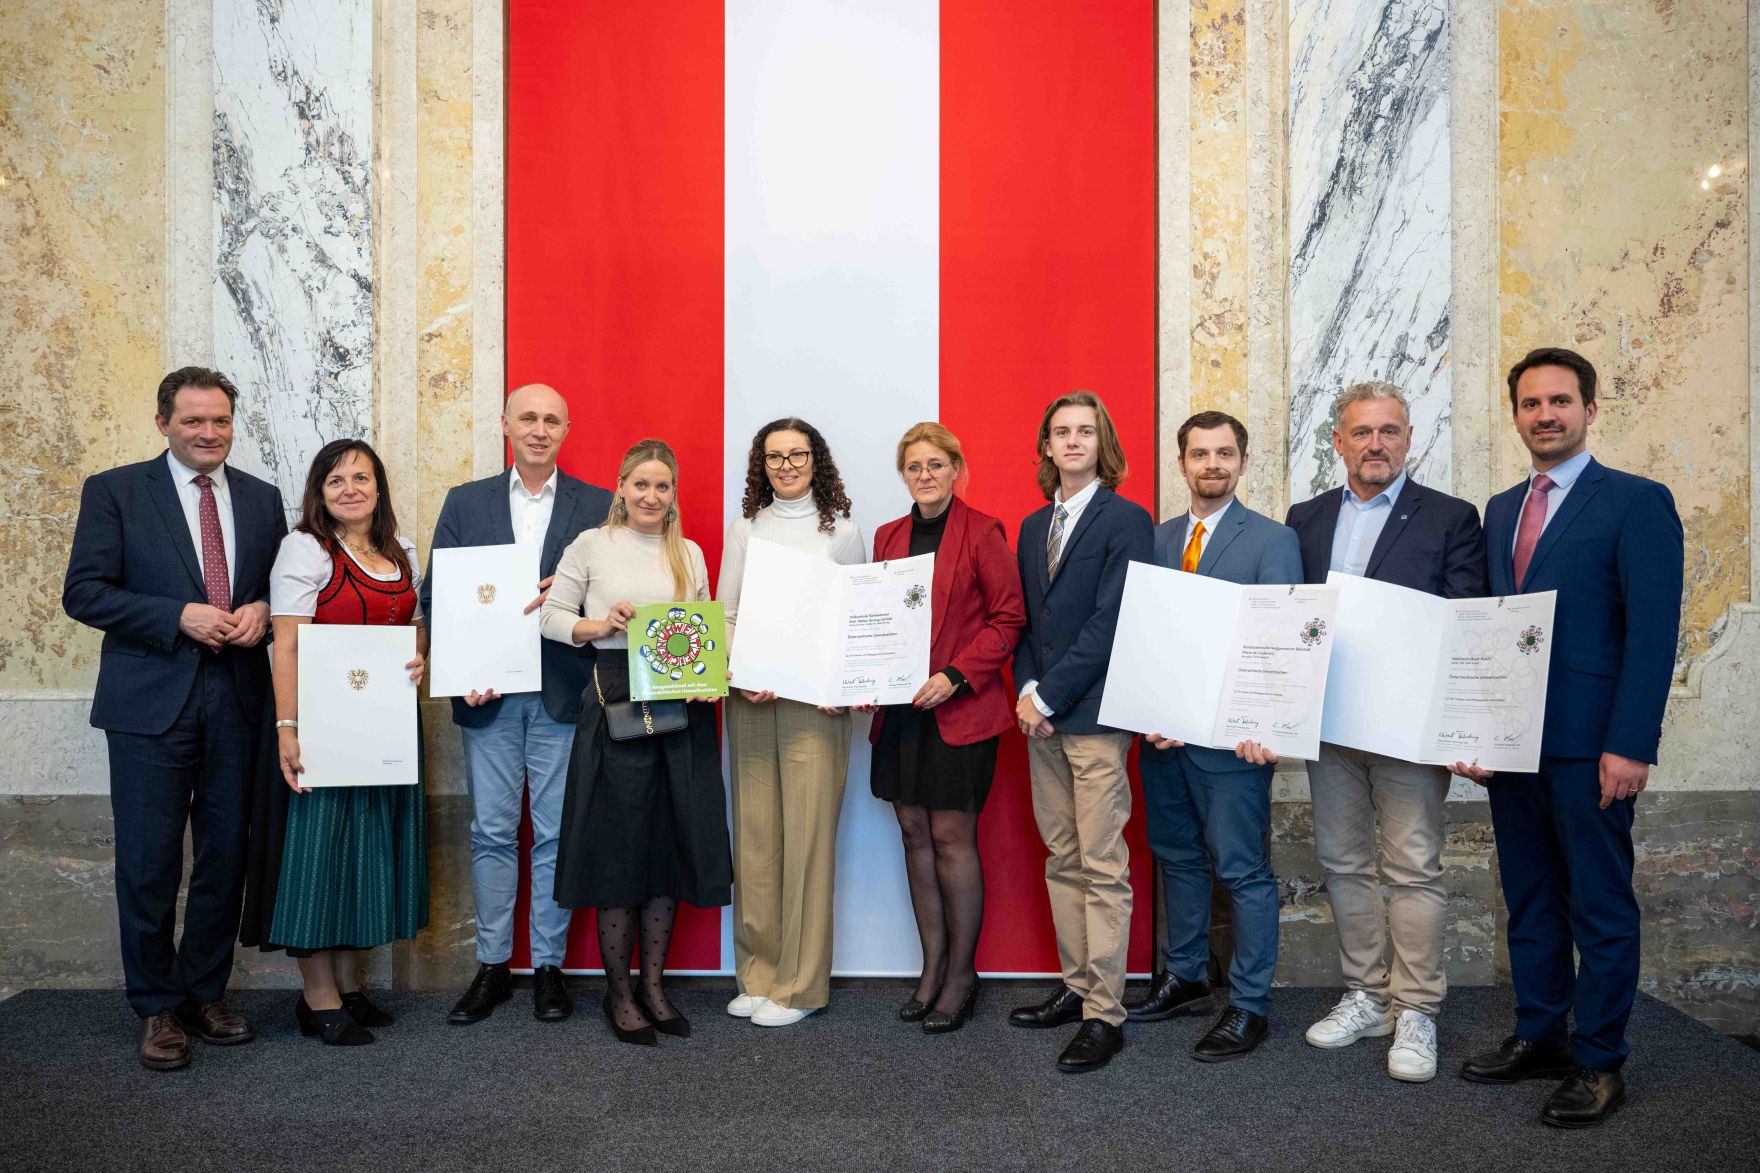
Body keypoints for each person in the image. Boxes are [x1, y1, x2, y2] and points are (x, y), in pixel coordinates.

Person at [1451, 348, 1682, 1127]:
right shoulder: (1499, 509)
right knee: (1530, 899)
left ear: (1589, 408)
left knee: (1600, 904)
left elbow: (1652, 635)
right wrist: (1478, 729)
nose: (1544, 414)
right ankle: (1541, 1031)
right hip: (1514, 748)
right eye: (1529, 403)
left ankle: (1599, 1059)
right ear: (1514, 414)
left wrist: (1631, 744)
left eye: (1559, 401)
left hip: (1591, 747)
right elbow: (1489, 630)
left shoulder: (1636, 502)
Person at [62, 367, 286, 1071]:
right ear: (164, 422)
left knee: (225, 856)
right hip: (149, 704)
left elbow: (278, 588)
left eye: (219, 420)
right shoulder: (116, 491)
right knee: (151, 861)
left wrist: (262, 612)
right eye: (193, 421)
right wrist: (175, 615)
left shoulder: (262, 497)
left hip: (238, 701)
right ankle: (156, 1004)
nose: (208, 433)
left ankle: (201, 992)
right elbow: (84, 592)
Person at [1280, 382, 1488, 1082]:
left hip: (1408, 725)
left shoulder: (1452, 518)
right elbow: (1287, 617)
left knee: (1413, 866)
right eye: (1362, 431)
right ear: (1337, 440)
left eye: (1390, 431)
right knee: (1342, 862)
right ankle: (1367, 994)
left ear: (1409, 439)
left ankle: (1418, 1008)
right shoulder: (1303, 518)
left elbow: (1464, 619)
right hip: (1331, 721)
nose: (1377, 444)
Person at [420, 383, 613, 1026]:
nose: (538, 428)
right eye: (527, 417)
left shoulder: (597, 504)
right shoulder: (466, 502)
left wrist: (577, 594)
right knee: (492, 832)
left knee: (557, 835)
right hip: (489, 695)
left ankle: (550, 968)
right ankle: (495, 966)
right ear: (504, 423)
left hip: (563, 692)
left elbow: (614, 599)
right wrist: (457, 671)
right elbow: (437, 598)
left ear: (566, 429)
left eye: (551, 419)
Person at [1123, 411, 1301, 1063]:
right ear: (1181, 464)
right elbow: (1146, 631)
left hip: (1234, 744)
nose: (1213, 464)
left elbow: (1280, 638)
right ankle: (1187, 973)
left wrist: (1266, 723)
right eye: (1200, 454)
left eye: (1225, 453)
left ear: (1244, 461)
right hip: (1164, 736)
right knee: (1177, 855)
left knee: (1243, 868)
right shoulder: (1159, 537)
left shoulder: (1272, 540)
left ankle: (1249, 1003)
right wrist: (1149, 707)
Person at [540, 439, 731, 1046]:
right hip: (615, 702)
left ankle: (654, 987)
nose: (651, 495)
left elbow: (704, 628)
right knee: (619, 849)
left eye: (663, 486)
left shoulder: (690, 553)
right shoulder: (591, 545)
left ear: (673, 495)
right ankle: (618, 994)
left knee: (665, 847)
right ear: (620, 487)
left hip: (680, 707)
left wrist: (709, 678)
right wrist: (601, 625)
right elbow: (550, 616)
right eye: (641, 484)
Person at [243, 439, 429, 1046]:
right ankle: (316, 996)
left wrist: (421, 659)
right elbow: (288, 644)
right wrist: (286, 728)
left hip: (384, 727)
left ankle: (348, 988)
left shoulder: (400, 551)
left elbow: (413, 631)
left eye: (361, 477)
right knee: (318, 858)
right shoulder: (305, 549)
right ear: (319, 492)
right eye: (335, 480)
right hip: (324, 724)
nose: (350, 488)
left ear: (379, 487)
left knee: (363, 852)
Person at [1008, 390, 1153, 1073]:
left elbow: (1111, 620)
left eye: (1085, 431)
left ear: (1103, 443)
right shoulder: (1036, 525)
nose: (1072, 441)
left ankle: (1105, 1013)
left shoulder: (1128, 520)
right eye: (1061, 431)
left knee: (1101, 865)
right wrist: (1027, 692)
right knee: (1061, 857)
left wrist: (1052, 694)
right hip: (1043, 719)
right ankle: (1075, 986)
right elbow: (1030, 624)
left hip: (1093, 718)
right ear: (1045, 445)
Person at [867, 423, 1025, 1034]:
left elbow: (1009, 620)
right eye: (914, 467)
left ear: (956, 468)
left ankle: (962, 974)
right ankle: (930, 967)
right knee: (913, 834)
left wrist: (956, 675)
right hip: (900, 712)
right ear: (903, 474)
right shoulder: (888, 537)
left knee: (953, 839)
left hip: (959, 711)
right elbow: (874, 621)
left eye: (936, 465)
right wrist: (864, 678)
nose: (926, 475)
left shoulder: (983, 531)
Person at [718, 418, 866, 1027]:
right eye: (774, 456)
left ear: (816, 460)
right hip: (751, 698)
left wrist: (839, 685)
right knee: (755, 841)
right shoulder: (746, 527)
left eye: (797, 454)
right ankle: (758, 974)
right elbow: (726, 614)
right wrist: (739, 674)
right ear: (762, 464)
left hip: (815, 705)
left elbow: (853, 620)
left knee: (806, 842)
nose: (786, 465)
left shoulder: (844, 532)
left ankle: (800, 986)